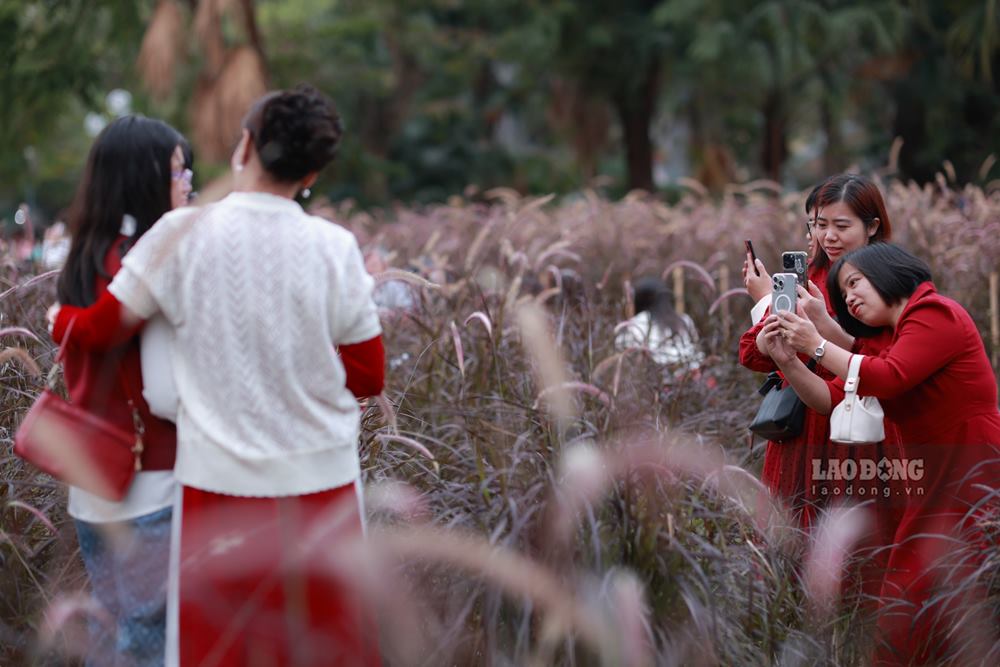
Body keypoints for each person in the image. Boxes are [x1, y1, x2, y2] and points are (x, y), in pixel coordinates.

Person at [51, 85, 385, 666]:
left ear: (245, 146)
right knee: (326, 648)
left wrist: (60, 319)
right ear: (311, 171)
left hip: (217, 486)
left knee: (222, 650)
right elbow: (367, 375)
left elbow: (104, 327)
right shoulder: (335, 247)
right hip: (322, 483)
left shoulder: (178, 237)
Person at [765, 242, 1000, 664]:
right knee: (916, 593)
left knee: (925, 590)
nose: (850, 298)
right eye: (843, 295)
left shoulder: (934, 313)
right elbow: (830, 399)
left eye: (855, 283)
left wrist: (818, 343)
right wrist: (790, 361)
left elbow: (890, 377)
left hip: (971, 467)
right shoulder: (888, 339)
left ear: (890, 270)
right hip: (931, 477)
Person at [53, 115, 192, 666]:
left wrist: (58, 317)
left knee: (115, 635)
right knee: (144, 643)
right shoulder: (145, 263)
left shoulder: (89, 256)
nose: (188, 184)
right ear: (146, 177)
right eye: (179, 172)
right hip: (148, 482)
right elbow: (107, 332)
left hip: (93, 479)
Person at [739, 174, 897, 529]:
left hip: (856, 422)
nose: (829, 236)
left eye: (841, 225)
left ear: (872, 226)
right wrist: (770, 331)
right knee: (794, 527)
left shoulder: (888, 281)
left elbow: (882, 357)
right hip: (800, 426)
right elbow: (750, 352)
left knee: (853, 531)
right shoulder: (808, 278)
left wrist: (820, 332)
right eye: (820, 225)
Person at [615, 276, 704, 373]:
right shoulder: (684, 320)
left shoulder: (637, 323)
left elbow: (622, 348)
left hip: (655, 379)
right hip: (689, 377)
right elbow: (697, 353)